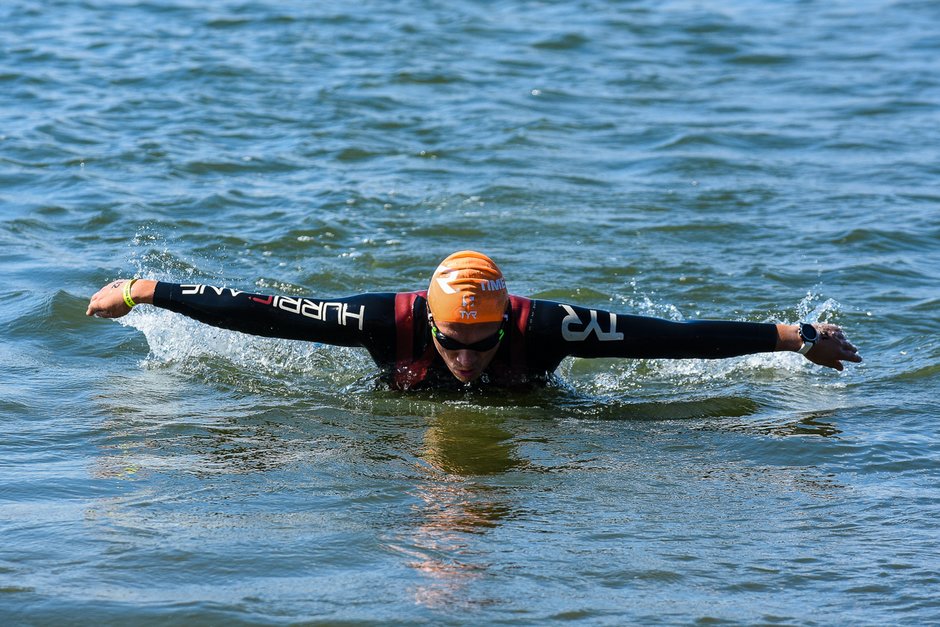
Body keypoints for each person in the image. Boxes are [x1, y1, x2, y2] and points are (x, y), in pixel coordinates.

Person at [86, 250, 862, 390]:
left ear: (504, 328)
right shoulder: (383, 320)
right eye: (451, 342)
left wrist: (797, 337)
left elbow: (670, 341)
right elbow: (264, 314)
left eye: (481, 342)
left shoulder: (545, 327)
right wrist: (146, 288)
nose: (465, 356)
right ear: (429, 325)